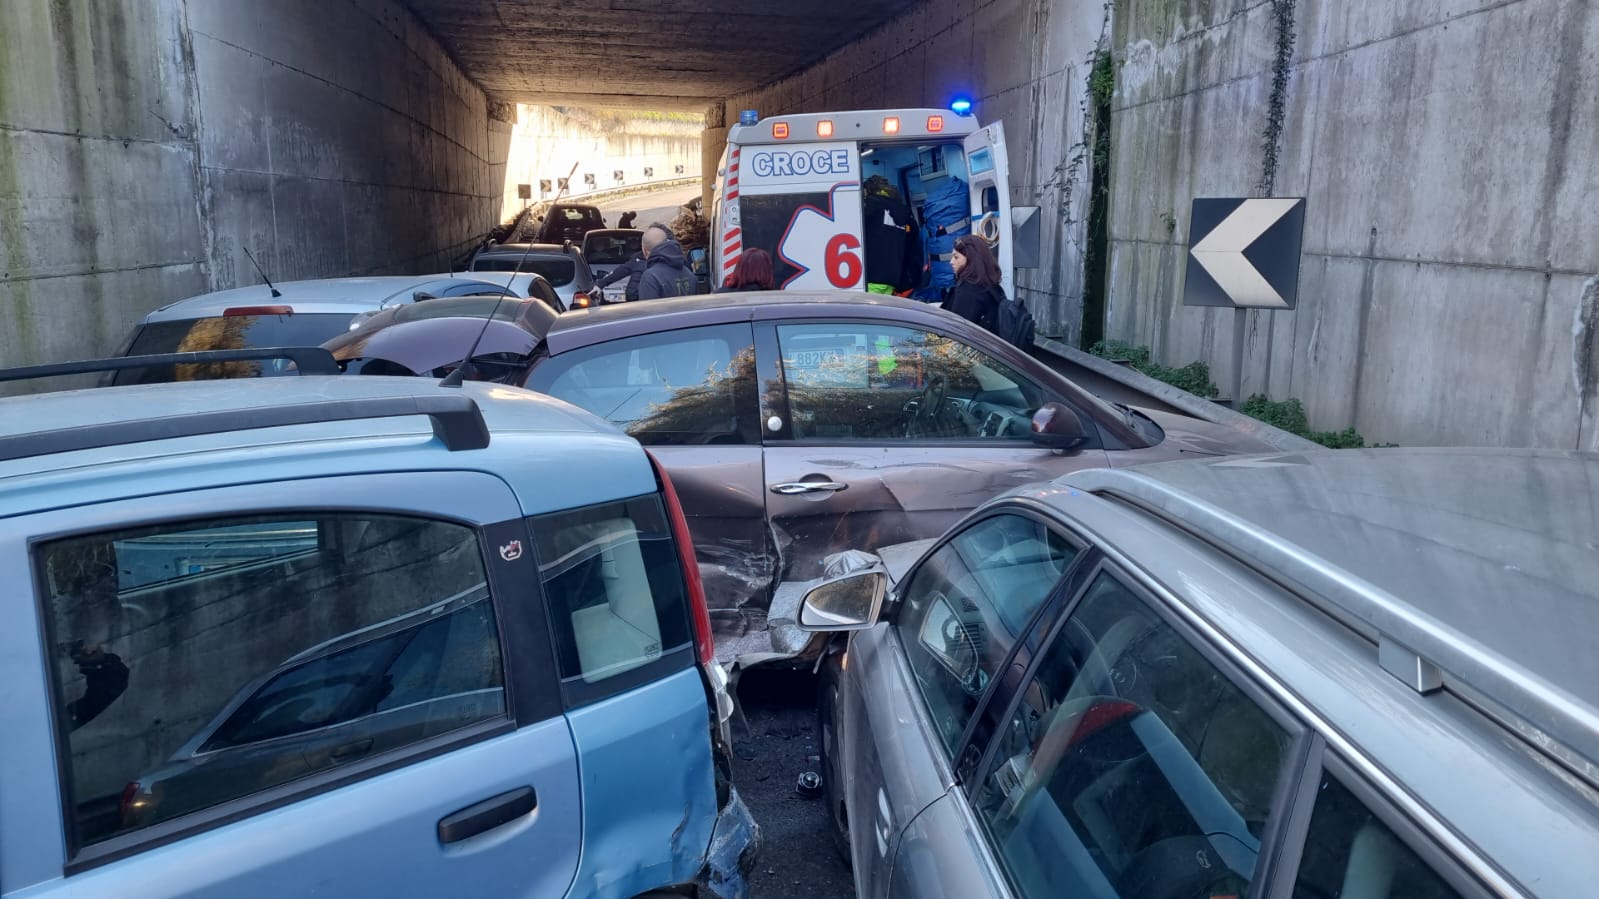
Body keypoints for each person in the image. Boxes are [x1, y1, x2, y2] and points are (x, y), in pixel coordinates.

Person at [861, 174, 921, 294]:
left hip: (871, 276)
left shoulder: (869, 208)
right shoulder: (904, 213)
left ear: (867, 190)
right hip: (893, 279)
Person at [942, 234, 1004, 331]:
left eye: (956, 257)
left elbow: (957, 330)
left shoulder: (968, 290)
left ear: (971, 259)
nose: (951, 262)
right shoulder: (990, 286)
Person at [637, 223, 699, 299]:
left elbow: (648, 310)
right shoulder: (689, 273)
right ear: (667, 243)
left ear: (644, 251)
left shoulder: (650, 278)